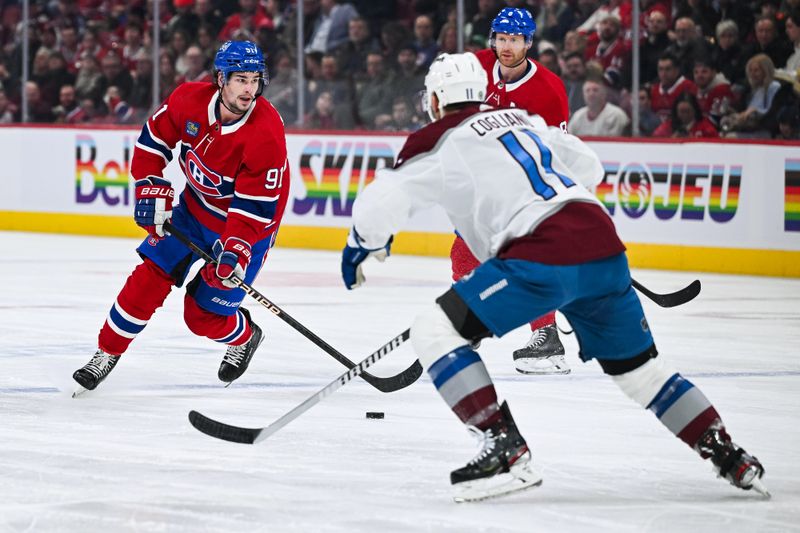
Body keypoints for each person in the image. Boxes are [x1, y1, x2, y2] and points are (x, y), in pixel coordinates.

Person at [340, 52, 768, 503]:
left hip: (541, 256)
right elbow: (588, 167)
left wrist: (360, 245)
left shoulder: (437, 138)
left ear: (435, 99)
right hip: (604, 248)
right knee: (643, 372)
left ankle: (505, 450)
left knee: (434, 329)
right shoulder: (520, 118)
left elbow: (384, 198)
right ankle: (729, 456)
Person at [72, 41, 290, 393]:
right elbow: (153, 140)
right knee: (149, 279)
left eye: (254, 79)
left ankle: (245, 336)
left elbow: (253, 209)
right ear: (221, 79)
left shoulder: (266, 134)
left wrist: (236, 250)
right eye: (240, 79)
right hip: (193, 209)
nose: (249, 89)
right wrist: (149, 184)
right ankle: (105, 353)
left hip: (248, 228)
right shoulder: (188, 99)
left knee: (201, 316)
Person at [466, 7, 572, 375]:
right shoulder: (475, 66)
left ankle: (547, 339)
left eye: (514, 40)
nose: (506, 46)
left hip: (524, 188)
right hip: (482, 185)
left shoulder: (548, 91)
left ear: (529, 42)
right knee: (463, 255)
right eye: (501, 38)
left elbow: (555, 152)